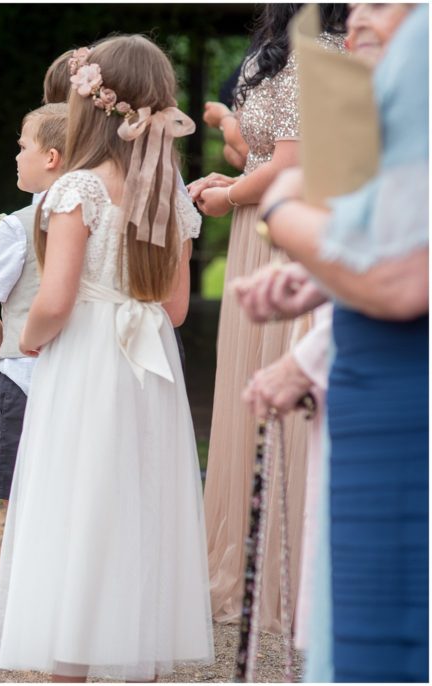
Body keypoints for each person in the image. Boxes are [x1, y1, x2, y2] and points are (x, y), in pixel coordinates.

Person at [0, 37, 211, 681]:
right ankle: (128, 638)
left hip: (86, 355)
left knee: (75, 492)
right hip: (147, 360)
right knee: (135, 495)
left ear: (91, 105)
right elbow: (174, 309)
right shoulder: (168, 189)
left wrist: (28, 338)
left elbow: (55, 300)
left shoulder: (78, 188)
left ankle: (69, 654)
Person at [237, 5, 427, 680]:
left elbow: (406, 278)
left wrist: (283, 211)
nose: (359, 16)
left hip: (407, 401)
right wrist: (320, 282)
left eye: (381, 0)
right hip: (377, 372)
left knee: (389, 629)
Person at [186, 3, 347, 635]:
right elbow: (265, 152)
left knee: (278, 378)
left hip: (288, 226)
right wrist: (234, 169)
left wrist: (227, 195)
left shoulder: (319, 57)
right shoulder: (301, 55)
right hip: (273, 217)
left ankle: (281, 570)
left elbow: (290, 165)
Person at [0, 103, 66, 504]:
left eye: (23, 147)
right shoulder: (101, 218)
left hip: (23, 376)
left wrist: (5, 346)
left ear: (51, 157)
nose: (17, 156)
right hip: (76, 371)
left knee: (21, 490)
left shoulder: (17, 226)